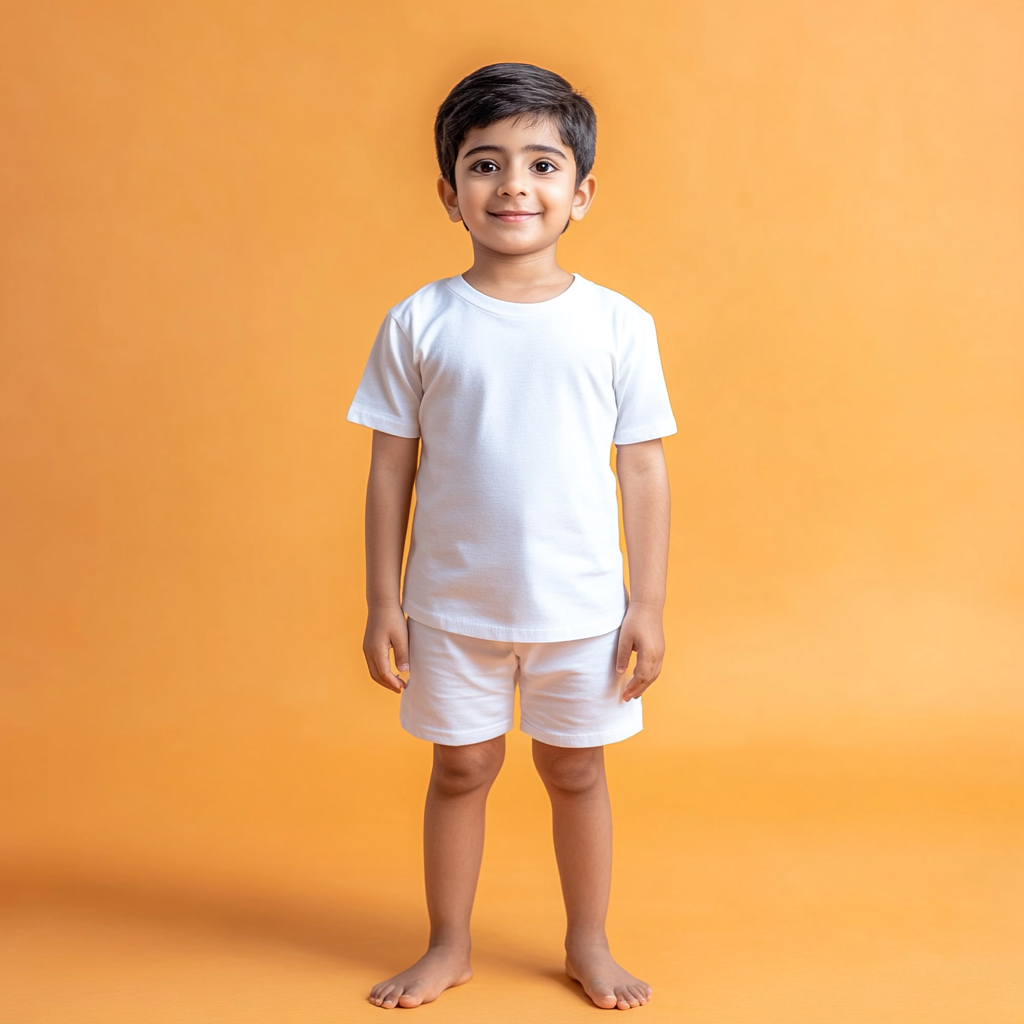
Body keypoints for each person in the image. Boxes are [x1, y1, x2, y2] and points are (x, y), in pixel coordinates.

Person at [347, 62, 676, 1011]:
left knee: (576, 770)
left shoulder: (618, 325)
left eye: (541, 163)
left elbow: (644, 468)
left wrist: (645, 606)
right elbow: (389, 470)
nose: (514, 186)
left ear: (582, 192)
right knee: (462, 767)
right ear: (450, 194)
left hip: (580, 606)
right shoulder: (420, 321)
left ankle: (588, 942)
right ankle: (448, 943)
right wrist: (382, 603)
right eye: (485, 165)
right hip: (452, 605)